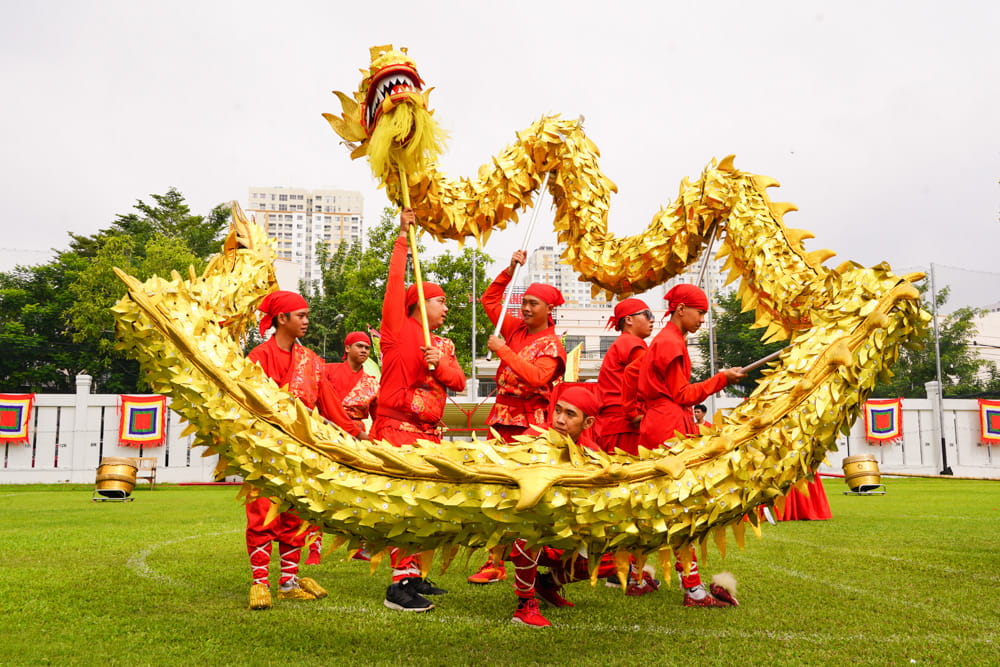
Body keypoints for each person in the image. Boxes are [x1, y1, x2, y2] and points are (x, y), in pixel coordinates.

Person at [245, 290, 362, 610]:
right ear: (281, 319)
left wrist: (358, 435)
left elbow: (331, 405)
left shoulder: (311, 360)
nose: (307, 321)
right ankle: (259, 582)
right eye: (301, 316)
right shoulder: (258, 357)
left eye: (307, 315)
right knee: (261, 515)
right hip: (265, 451)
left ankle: (288, 582)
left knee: (296, 515)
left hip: (302, 453)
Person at [374, 207, 467, 612]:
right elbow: (395, 286)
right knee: (403, 506)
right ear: (418, 304)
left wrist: (440, 363)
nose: (446, 308)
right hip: (397, 431)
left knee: (423, 507)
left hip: (428, 434)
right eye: (440, 302)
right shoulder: (396, 329)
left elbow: (459, 381)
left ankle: (412, 575)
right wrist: (401, 241)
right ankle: (398, 587)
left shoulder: (441, 344)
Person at [633, 283, 746, 608]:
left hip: (662, 420)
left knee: (661, 508)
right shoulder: (670, 342)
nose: (702, 319)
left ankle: (640, 577)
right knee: (681, 510)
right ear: (681, 309)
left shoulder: (668, 339)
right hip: (668, 425)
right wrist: (721, 379)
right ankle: (693, 590)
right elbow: (682, 395)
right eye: (700, 312)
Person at [469, 249, 567, 585]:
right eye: (523, 302)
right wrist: (510, 269)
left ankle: (539, 556)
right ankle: (494, 561)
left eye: (532, 304)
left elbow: (538, 378)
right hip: (501, 417)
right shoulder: (514, 329)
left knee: (527, 495)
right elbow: (489, 299)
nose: (524, 308)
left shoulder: (552, 344)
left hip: (530, 424)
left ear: (548, 309)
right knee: (496, 489)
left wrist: (503, 351)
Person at [595, 298, 654, 455]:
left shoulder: (622, 343)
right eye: (647, 315)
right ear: (629, 320)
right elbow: (652, 378)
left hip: (614, 425)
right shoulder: (631, 343)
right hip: (626, 426)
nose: (652, 320)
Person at [324, 331, 379, 437]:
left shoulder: (372, 384)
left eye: (367, 348)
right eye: (359, 346)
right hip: (326, 428)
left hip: (356, 436)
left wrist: (371, 438)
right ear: (347, 348)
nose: (364, 350)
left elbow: (379, 418)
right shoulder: (327, 370)